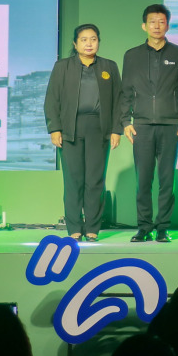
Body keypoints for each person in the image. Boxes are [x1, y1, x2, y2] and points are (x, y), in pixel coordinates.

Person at [121, 4, 178, 243]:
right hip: (141, 125)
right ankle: (144, 226)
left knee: (166, 179)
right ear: (144, 26)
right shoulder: (132, 55)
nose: (157, 26)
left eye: (161, 22)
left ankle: (163, 227)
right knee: (143, 179)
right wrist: (125, 121)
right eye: (152, 22)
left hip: (170, 124)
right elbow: (126, 91)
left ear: (168, 25)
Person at [45, 23, 123, 240]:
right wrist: (55, 128)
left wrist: (116, 129)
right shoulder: (63, 67)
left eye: (93, 39)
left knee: (95, 179)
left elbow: (119, 100)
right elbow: (52, 99)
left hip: (99, 128)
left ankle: (92, 228)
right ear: (75, 43)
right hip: (70, 128)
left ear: (99, 42)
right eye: (84, 40)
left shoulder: (109, 66)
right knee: (73, 179)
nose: (89, 44)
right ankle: (74, 228)